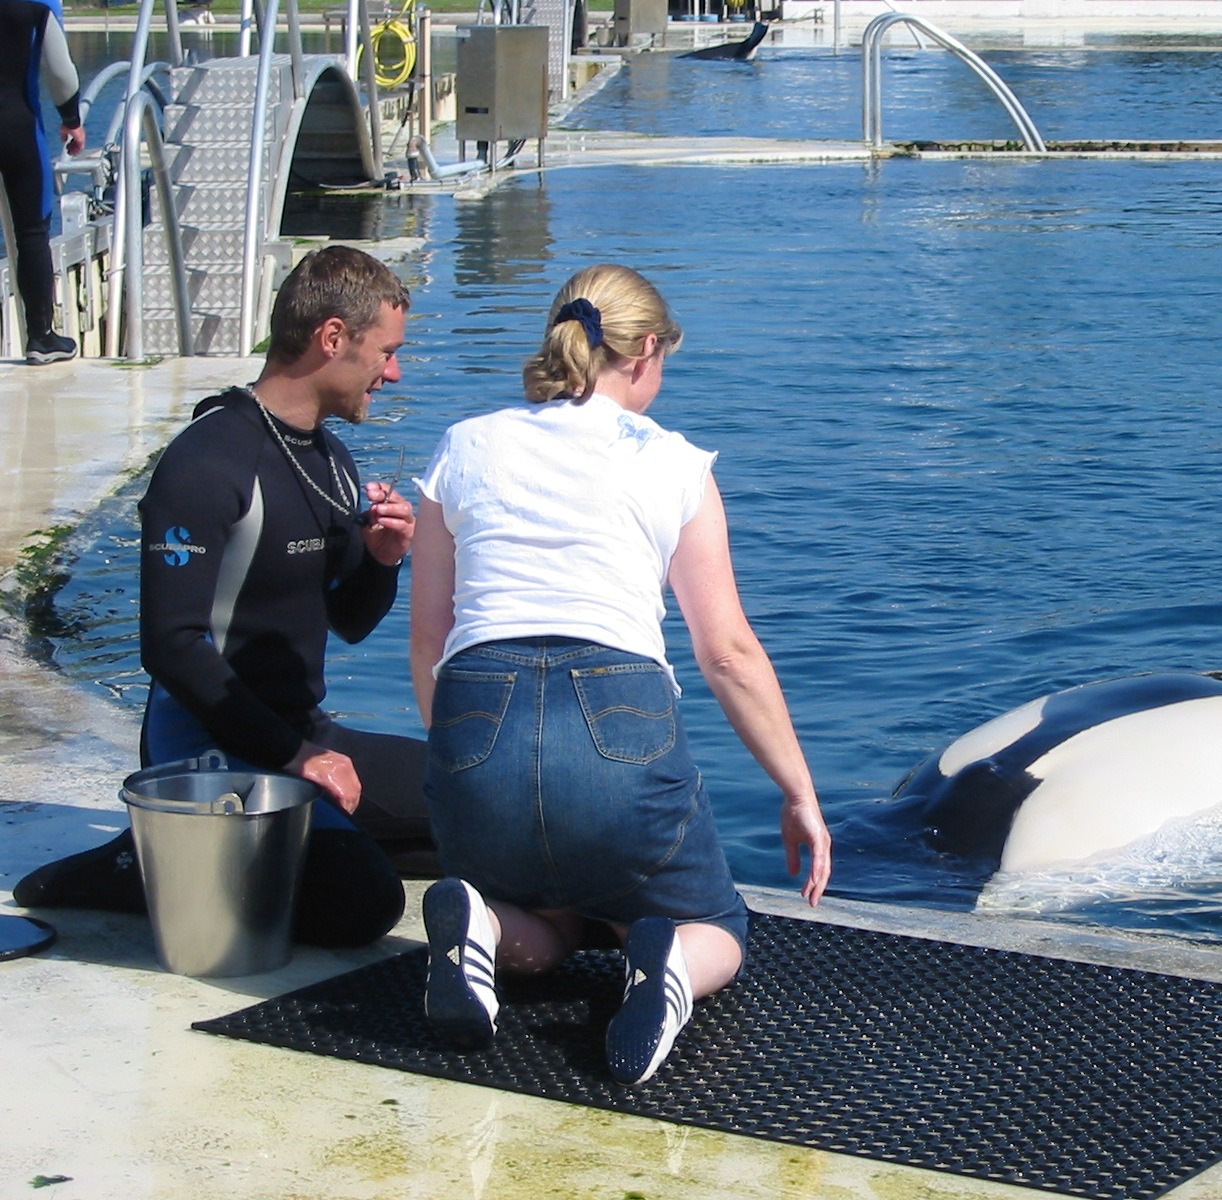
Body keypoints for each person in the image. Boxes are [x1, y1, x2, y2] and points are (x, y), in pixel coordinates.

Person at [409, 264, 831, 1084]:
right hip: (616, 721)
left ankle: (486, 928)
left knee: (553, 926)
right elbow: (728, 653)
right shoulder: (673, 462)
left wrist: (463, 765)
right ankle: (669, 961)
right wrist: (799, 793)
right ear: (642, 351)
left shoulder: (465, 443)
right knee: (718, 924)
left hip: (475, 716)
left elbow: (430, 639)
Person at [16, 245, 434, 947]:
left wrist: (383, 561)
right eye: (386, 352)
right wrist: (295, 759)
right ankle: (137, 866)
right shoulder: (207, 460)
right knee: (364, 903)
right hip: (205, 751)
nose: (393, 372)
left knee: (478, 805)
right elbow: (170, 645)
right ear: (333, 338)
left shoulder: (327, 456)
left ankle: (306, 834)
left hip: (299, 733)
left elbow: (350, 621)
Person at [0, 0, 84, 365]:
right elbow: (60, 72)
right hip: (16, 126)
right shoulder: (39, 1)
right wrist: (71, 118)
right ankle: (41, 337)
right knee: (32, 231)